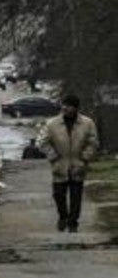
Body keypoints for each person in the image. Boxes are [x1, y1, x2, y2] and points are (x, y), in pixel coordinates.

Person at [36, 94, 100, 233]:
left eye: (68, 105)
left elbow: (93, 143)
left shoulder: (87, 123)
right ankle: (63, 216)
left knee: (76, 197)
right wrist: (52, 156)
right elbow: (42, 142)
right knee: (58, 195)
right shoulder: (52, 123)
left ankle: (73, 222)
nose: (65, 108)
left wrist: (84, 157)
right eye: (63, 105)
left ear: (75, 108)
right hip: (60, 164)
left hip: (78, 164)